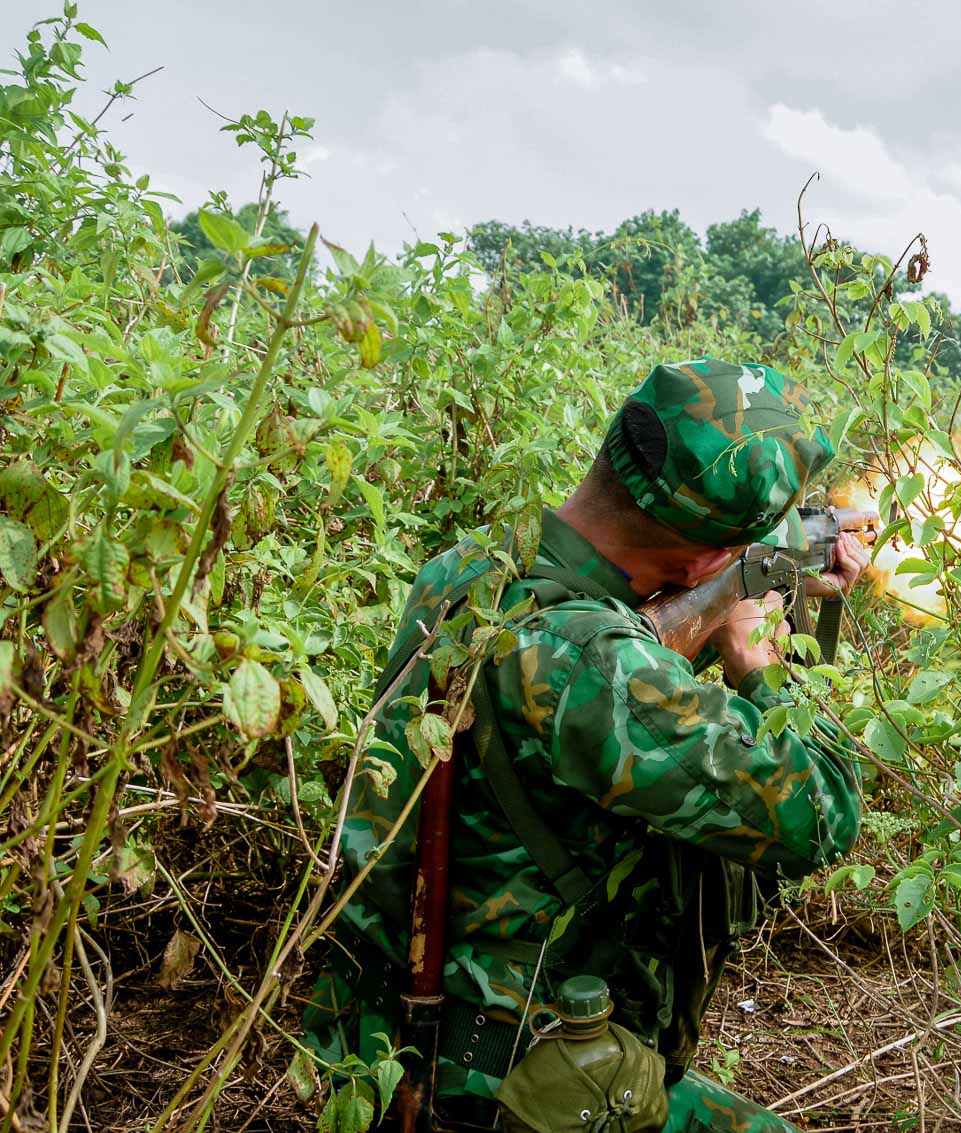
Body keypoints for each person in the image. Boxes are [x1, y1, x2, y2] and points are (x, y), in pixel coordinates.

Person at [302, 359, 870, 1132]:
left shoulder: (472, 568)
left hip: (374, 1046)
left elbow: (622, 673)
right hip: (512, 1091)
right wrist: (761, 658)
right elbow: (823, 811)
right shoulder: (598, 666)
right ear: (704, 564)